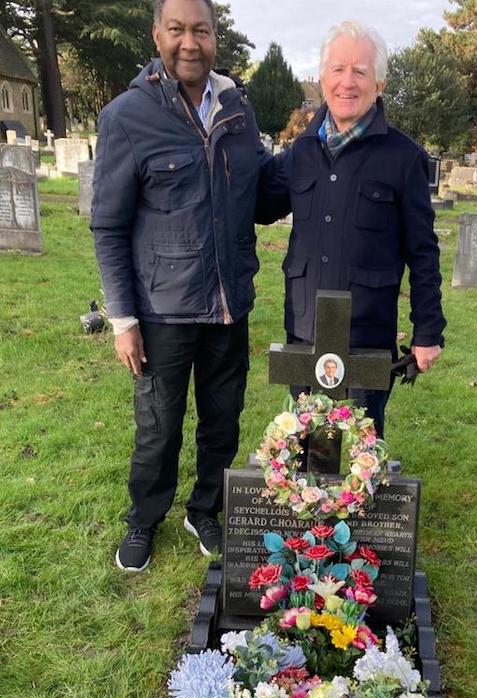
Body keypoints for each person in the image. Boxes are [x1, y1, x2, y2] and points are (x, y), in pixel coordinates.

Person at [91, 0, 275, 572]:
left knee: (223, 418)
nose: (189, 42)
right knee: (159, 427)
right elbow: (109, 225)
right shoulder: (127, 116)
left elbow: (262, 193)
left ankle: (206, 510)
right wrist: (122, 320)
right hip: (161, 310)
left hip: (228, 304)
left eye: (201, 29)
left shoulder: (236, 108)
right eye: (177, 30)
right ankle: (144, 519)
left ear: (215, 37)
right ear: (157, 35)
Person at [277, 21, 446, 437]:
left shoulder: (404, 158)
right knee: (303, 450)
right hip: (305, 329)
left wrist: (428, 331)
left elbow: (423, 251)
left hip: (366, 334)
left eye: (360, 71)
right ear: (322, 78)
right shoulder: (300, 151)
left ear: (380, 83)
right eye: (337, 69)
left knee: (358, 457)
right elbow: (257, 202)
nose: (346, 82)